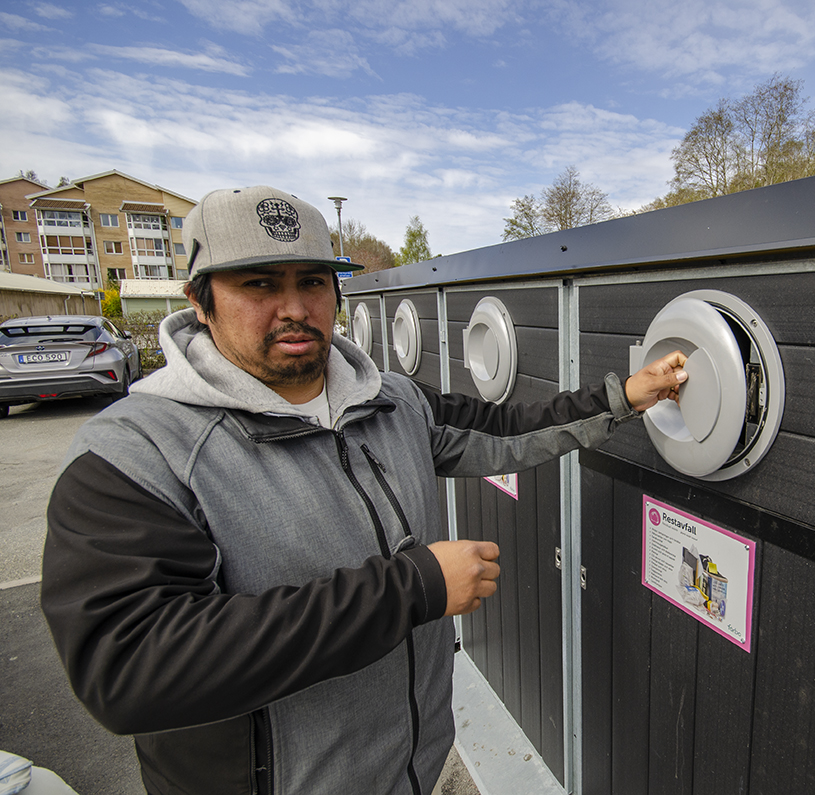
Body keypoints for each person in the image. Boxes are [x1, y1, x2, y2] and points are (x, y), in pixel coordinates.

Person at [39, 186, 687, 795]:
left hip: (410, 771)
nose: (294, 307)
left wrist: (622, 398)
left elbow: (504, 430)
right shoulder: (137, 450)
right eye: (259, 284)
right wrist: (413, 588)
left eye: (313, 282)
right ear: (200, 301)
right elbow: (129, 666)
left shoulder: (389, 400)